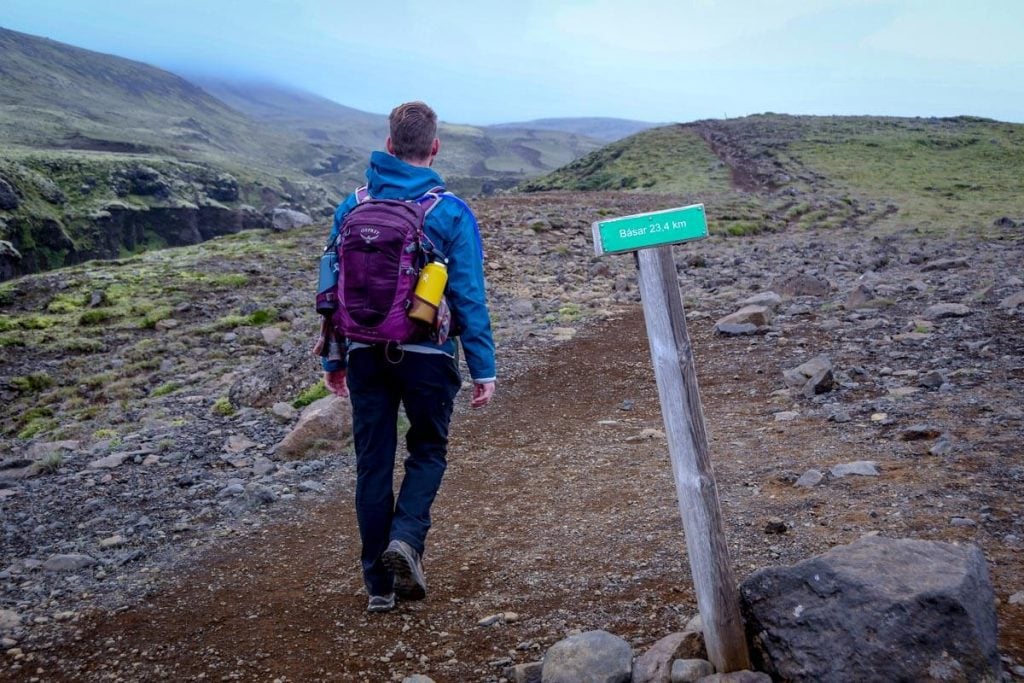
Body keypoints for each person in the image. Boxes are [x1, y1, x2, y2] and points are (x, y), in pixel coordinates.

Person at [321, 101, 496, 613]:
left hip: (363, 354)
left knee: (372, 463)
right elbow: (468, 294)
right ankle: (407, 541)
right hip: (428, 354)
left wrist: (334, 361)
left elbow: (330, 288)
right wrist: (483, 366)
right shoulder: (451, 211)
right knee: (427, 450)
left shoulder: (351, 206)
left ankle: (377, 586)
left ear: (389, 145)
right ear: (434, 147)